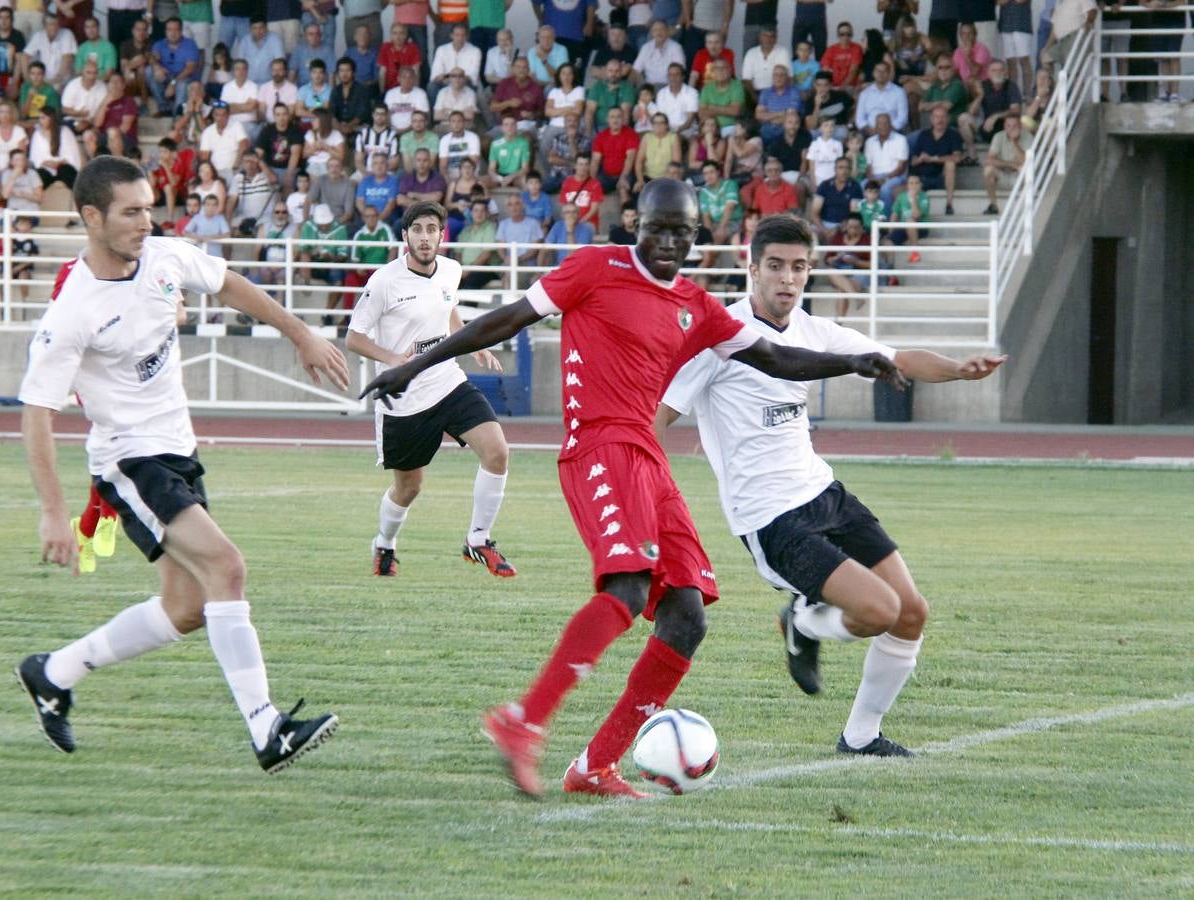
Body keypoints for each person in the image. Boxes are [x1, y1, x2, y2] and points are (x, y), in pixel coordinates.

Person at [360, 179, 904, 798]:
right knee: (627, 584)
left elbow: (776, 358)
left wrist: (852, 361)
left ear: (696, 237)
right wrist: (413, 365)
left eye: (683, 232)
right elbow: (506, 319)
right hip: (598, 445)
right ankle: (522, 722)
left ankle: (594, 765)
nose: (668, 241)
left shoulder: (698, 306)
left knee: (686, 617)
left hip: (648, 459)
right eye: (658, 227)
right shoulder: (594, 268)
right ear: (633, 223)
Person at [13, 155, 348, 772]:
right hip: (129, 461)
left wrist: (301, 334)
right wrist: (54, 513)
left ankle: (53, 672)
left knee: (187, 609)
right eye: (131, 211)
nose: (147, 221)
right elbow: (37, 411)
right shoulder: (73, 311)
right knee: (228, 567)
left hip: (178, 452)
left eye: (149, 207)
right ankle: (266, 728)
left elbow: (229, 284)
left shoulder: (167, 258)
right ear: (91, 218)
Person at [657, 213, 1004, 756]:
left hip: (826, 495)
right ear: (752, 270)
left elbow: (897, 357)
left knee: (911, 612)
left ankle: (860, 737)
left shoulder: (815, 331)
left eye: (798, 267)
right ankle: (800, 620)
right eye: (775, 266)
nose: (787, 279)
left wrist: (960, 369)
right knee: (878, 612)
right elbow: (657, 419)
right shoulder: (716, 338)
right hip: (772, 520)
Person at [344, 201, 515, 577]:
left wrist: (474, 341)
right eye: (417, 230)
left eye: (431, 230)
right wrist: (392, 359)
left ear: (442, 235)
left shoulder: (451, 270)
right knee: (409, 487)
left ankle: (478, 540)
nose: (425, 237)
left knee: (497, 451)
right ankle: (384, 544)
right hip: (403, 399)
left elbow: (448, 306)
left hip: (446, 379)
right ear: (405, 237)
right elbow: (354, 337)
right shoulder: (384, 281)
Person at [909, 105, 963, 215]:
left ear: (948, 119)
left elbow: (957, 158)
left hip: (941, 178)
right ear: (931, 119)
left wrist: (934, 159)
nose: (939, 120)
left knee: (950, 164)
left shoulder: (954, 135)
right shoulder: (924, 135)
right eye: (936, 117)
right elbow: (913, 161)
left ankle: (949, 204)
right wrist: (920, 159)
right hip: (922, 178)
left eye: (943, 117)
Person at [983, 111, 1033, 214]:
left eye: (1015, 125)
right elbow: (990, 159)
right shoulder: (998, 136)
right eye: (1008, 125)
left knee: (1024, 169)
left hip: (1018, 176)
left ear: (1020, 126)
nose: (1011, 128)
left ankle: (1024, 207)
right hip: (1003, 174)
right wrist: (1012, 164)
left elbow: (1025, 161)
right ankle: (993, 205)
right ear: (1004, 126)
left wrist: (1014, 142)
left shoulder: (1028, 137)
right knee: (988, 169)